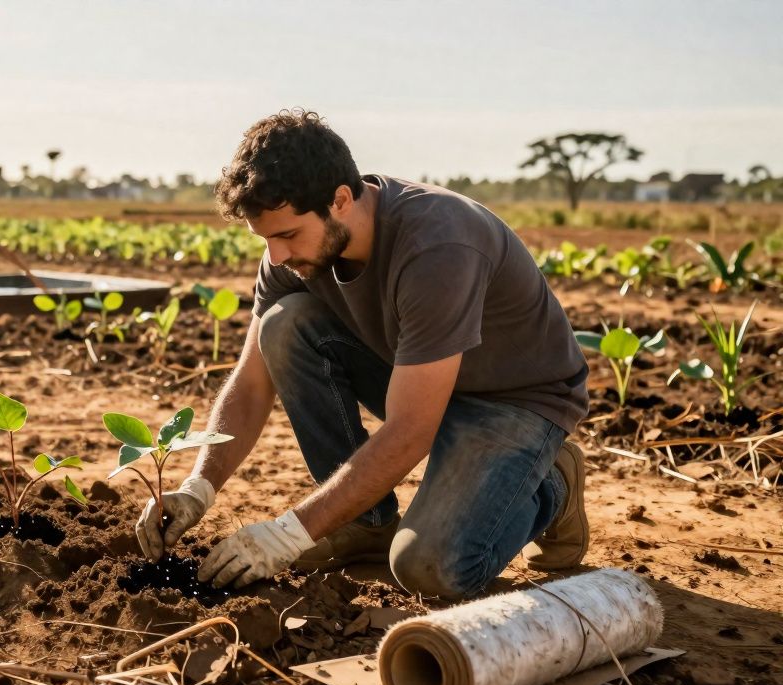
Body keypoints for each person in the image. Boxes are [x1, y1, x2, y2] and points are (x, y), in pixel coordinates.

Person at [136, 109, 590, 599]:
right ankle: (365, 524)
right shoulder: (291, 256)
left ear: (341, 200)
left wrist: (290, 532)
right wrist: (198, 487)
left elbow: (410, 429)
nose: (277, 256)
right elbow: (250, 383)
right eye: (266, 239)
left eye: (287, 235)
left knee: (430, 569)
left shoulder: (438, 245)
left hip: (511, 402)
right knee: (284, 325)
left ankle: (552, 486)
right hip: (414, 379)